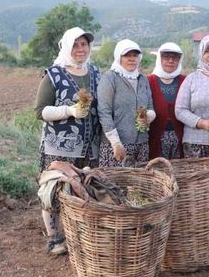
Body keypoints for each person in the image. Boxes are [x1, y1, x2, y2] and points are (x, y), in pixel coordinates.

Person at [34, 26, 101, 255]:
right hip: (59, 146)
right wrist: (69, 111)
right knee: (54, 191)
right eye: (75, 44)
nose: (80, 49)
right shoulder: (54, 73)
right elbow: (40, 110)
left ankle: (79, 236)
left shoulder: (95, 73)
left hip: (89, 145)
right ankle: (54, 238)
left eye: (84, 44)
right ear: (66, 46)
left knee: (82, 190)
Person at [97, 39, 155, 167]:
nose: (132, 59)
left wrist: (148, 117)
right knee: (115, 184)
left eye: (135, 55)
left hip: (141, 144)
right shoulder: (109, 78)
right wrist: (116, 143)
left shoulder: (143, 79)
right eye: (127, 55)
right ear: (119, 57)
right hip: (117, 145)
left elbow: (150, 107)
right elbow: (104, 112)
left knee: (139, 185)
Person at [148, 42, 186, 159]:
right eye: (166, 57)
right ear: (160, 59)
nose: (170, 61)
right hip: (155, 136)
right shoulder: (148, 80)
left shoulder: (185, 80)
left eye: (175, 58)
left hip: (179, 136)